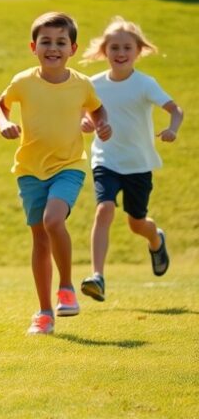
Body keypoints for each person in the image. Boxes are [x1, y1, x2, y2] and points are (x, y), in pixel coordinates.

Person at [0, 12, 111, 335]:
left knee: (53, 220)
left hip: (68, 166)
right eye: (46, 41)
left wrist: (100, 123)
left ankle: (67, 288)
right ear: (34, 46)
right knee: (40, 239)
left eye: (61, 42)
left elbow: (97, 107)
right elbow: (0, 105)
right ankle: (44, 313)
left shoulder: (81, 84)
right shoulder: (23, 82)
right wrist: (4, 123)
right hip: (29, 170)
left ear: (72, 48)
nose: (53, 48)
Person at [78, 17, 184, 302]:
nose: (120, 52)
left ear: (138, 51)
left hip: (138, 164)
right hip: (105, 159)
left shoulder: (145, 84)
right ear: (104, 51)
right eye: (114, 47)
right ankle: (97, 277)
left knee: (136, 223)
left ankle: (155, 239)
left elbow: (176, 110)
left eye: (127, 47)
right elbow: (81, 115)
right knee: (104, 210)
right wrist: (84, 124)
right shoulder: (93, 84)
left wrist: (172, 129)